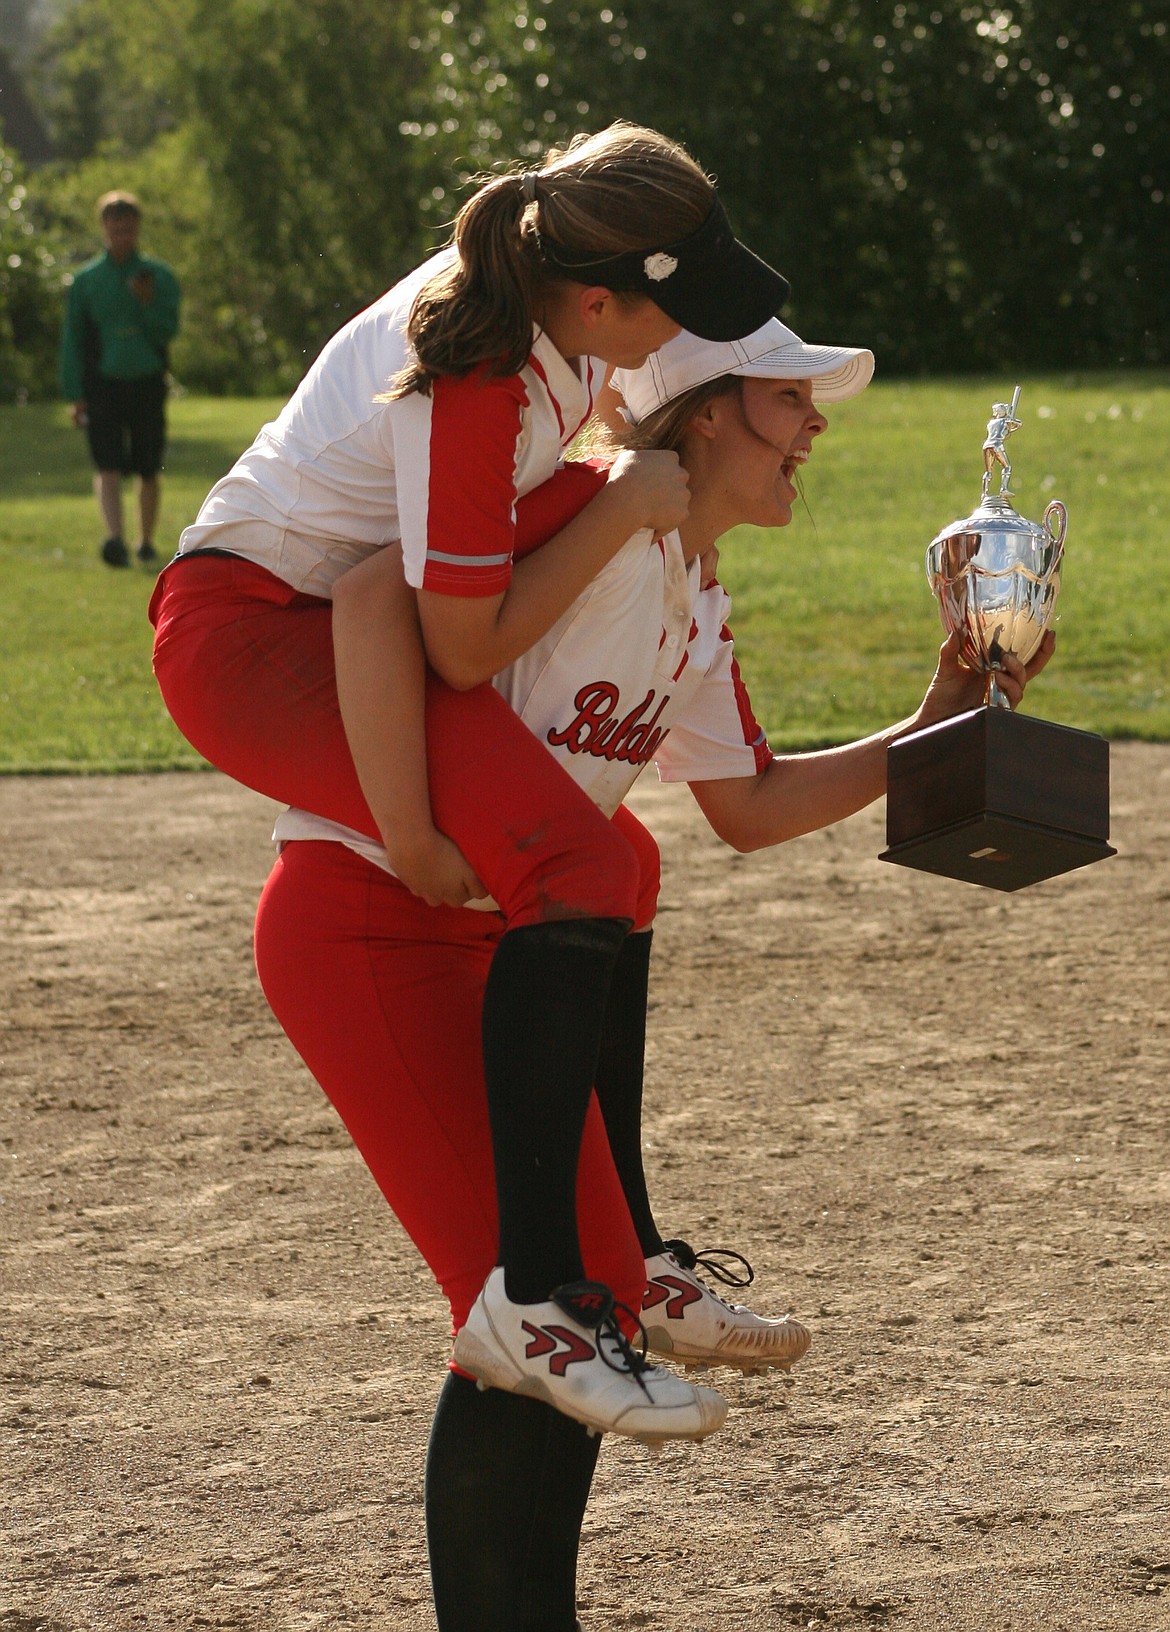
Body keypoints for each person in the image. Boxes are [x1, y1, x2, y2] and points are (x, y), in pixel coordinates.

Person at [253, 316, 1053, 1630]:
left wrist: (946, 709)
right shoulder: (581, 514)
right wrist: (403, 830)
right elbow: (369, 598)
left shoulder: (688, 592)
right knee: (532, 1322)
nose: (814, 426)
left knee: (594, 1311)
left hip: (507, 948)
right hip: (373, 926)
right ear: (699, 413)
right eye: (788, 398)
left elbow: (743, 805)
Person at [150, 122, 793, 1442]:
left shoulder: (545, 344)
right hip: (246, 638)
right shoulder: (486, 364)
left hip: (321, 627)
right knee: (574, 863)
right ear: (600, 298)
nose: (685, 336)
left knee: (612, 862)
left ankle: (609, 1275)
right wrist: (404, 824)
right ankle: (536, 1297)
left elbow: (412, 605)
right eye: (674, 304)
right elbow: (436, 627)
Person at [60, 191, 180, 568]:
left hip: (146, 379)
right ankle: (114, 538)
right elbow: (73, 340)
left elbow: (167, 330)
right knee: (107, 462)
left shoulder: (158, 277)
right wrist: (75, 393)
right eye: (114, 229)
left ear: (137, 228)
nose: (121, 236)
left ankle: (145, 539)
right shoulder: (87, 281)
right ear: (104, 229)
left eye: (127, 228)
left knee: (147, 465)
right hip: (103, 383)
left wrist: (147, 303)